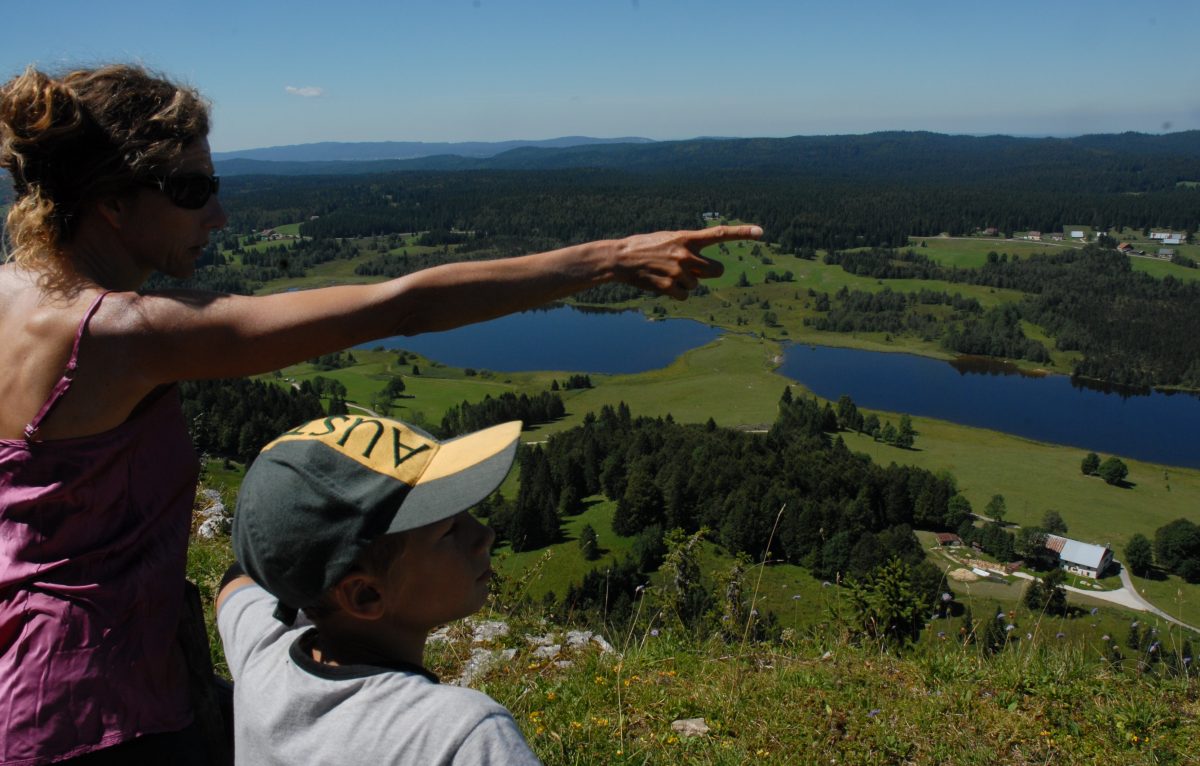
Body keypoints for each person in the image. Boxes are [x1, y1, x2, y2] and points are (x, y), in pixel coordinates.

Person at [0, 62, 760, 764]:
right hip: (102, 704)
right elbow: (403, 306)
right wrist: (614, 257)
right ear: (112, 201)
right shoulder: (121, 334)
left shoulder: (13, 294)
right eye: (194, 191)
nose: (221, 214)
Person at [216, 415, 538, 765]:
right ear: (364, 595)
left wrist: (287, 564)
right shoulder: (460, 736)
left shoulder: (261, 660)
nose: (484, 535)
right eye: (448, 530)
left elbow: (235, 587)